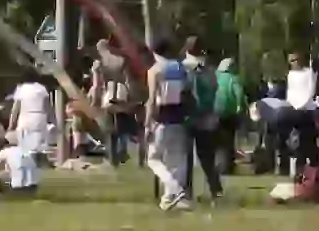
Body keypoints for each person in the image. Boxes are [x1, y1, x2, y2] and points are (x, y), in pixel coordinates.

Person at [145, 37, 192, 211]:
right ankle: (171, 199)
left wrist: (147, 125)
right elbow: (187, 93)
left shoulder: (155, 70)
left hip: (161, 118)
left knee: (153, 159)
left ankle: (174, 188)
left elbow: (151, 100)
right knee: (177, 160)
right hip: (179, 117)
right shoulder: (181, 68)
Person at [90, 39, 137, 163]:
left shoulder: (98, 63)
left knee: (109, 128)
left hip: (108, 93)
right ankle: (123, 149)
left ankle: (112, 155)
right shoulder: (122, 60)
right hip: (122, 92)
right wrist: (131, 97)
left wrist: (94, 101)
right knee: (122, 122)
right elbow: (129, 80)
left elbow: (97, 85)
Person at [188, 49, 223, 199]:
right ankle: (215, 188)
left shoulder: (185, 68)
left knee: (191, 157)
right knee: (206, 157)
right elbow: (215, 91)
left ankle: (188, 190)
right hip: (206, 118)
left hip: (194, 118)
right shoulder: (210, 72)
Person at [280, 53, 319, 172]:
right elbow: (290, 91)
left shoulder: (308, 73)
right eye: (291, 60)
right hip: (294, 110)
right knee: (297, 141)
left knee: (309, 139)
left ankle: (314, 167)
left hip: (306, 110)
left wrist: (303, 104)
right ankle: (300, 168)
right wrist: (290, 105)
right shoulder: (290, 75)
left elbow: (311, 90)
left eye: (296, 59)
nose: (294, 62)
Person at [213, 58, 246, 173]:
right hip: (229, 113)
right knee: (228, 140)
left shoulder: (215, 76)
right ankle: (226, 167)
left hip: (214, 112)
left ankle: (219, 165)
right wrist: (240, 107)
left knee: (218, 141)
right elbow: (239, 94)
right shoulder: (234, 78)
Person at [9, 71, 52, 156]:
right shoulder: (42, 88)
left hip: (25, 121)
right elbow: (48, 108)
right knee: (38, 147)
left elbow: (15, 109)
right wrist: (53, 122)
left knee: (24, 148)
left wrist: (11, 125)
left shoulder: (20, 88)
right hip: (40, 119)